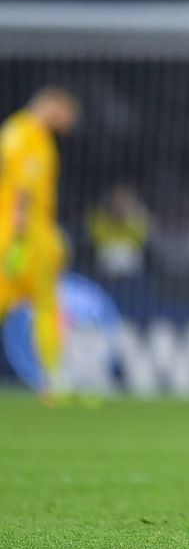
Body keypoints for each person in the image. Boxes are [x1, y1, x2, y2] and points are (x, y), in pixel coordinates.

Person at [0, 87, 79, 397]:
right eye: (68, 114)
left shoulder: (14, 130)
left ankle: (55, 376)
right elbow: (24, 187)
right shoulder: (32, 137)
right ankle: (54, 377)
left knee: (43, 302)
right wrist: (20, 237)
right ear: (54, 106)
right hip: (24, 235)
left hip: (16, 231)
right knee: (45, 304)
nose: (69, 122)